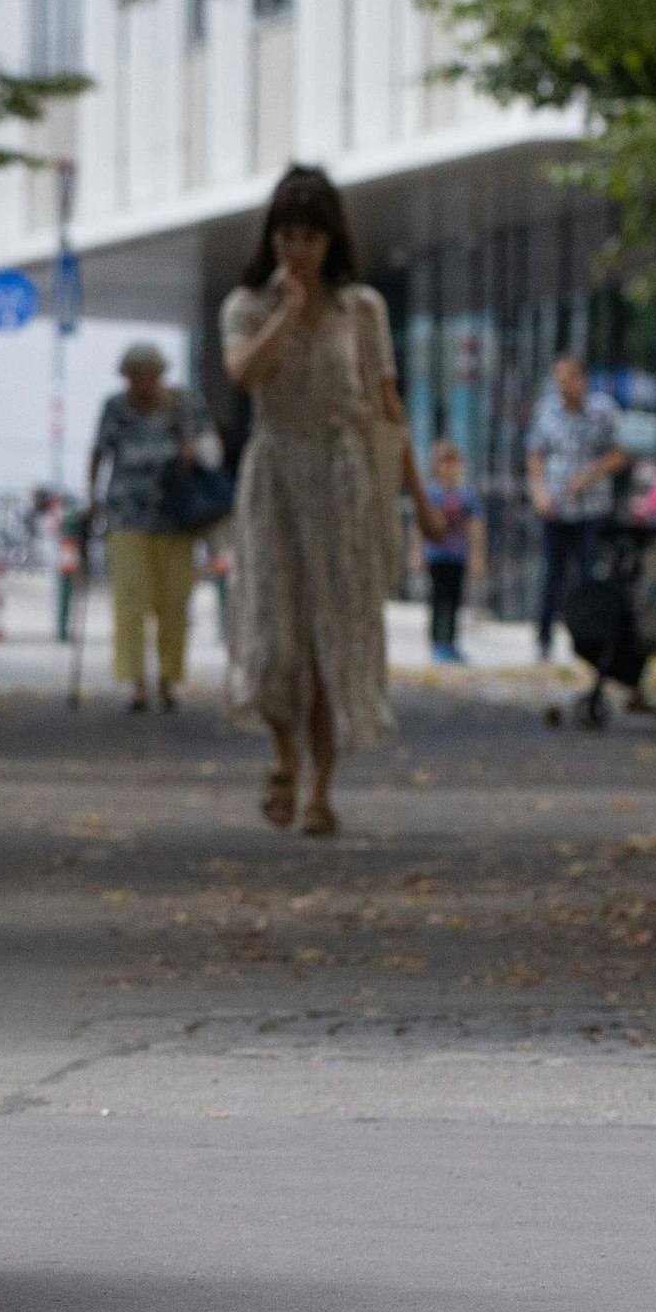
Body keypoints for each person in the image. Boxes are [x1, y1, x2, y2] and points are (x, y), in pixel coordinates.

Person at [219, 165, 437, 836]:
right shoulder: (247, 304)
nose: (299, 249)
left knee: (331, 635)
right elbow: (243, 373)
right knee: (276, 633)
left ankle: (320, 787)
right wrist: (286, 309)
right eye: (288, 234)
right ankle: (284, 757)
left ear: (331, 238)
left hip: (343, 478)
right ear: (273, 236)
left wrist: (420, 501)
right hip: (275, 475)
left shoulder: (361, 308)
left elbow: (386, 404)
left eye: (311, 236)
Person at [85, 340, 213, 711]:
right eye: (133, 377)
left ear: (160, 374)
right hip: (126, 515)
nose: (140, 383)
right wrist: (94, 497)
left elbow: (210, 443)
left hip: (177, 515)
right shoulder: (115, 407)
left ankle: (170, 680)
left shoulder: (186, 404)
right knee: (130, 601)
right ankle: (136, 683)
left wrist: (194, 451)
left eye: (147, 375)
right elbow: (99, 452)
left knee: (175, 603)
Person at [523, 355, 627, 663]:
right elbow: (535, 456)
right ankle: (544, 638)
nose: (563, 385)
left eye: (569, 378)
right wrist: (539, 493)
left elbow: (619, 454)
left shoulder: (603, 412)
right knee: (552, 575)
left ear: (583, 379)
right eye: (559, 379)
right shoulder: (547, 411)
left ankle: (585, 639)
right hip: (556, 508)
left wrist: (590, 475)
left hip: (591, 508)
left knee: (586, 575)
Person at [419, 441, 477, 664]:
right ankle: (437, 643)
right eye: (445, 462)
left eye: (454, 462)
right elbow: (422, 526)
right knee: (437, 599)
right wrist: (417, 553)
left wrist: (476, 556)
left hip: (457, 556)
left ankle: (451, 643)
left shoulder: (466, 495)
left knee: (455, 600)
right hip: (437, 556)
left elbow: (475, 525)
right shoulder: (431, 493)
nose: (450, 467)